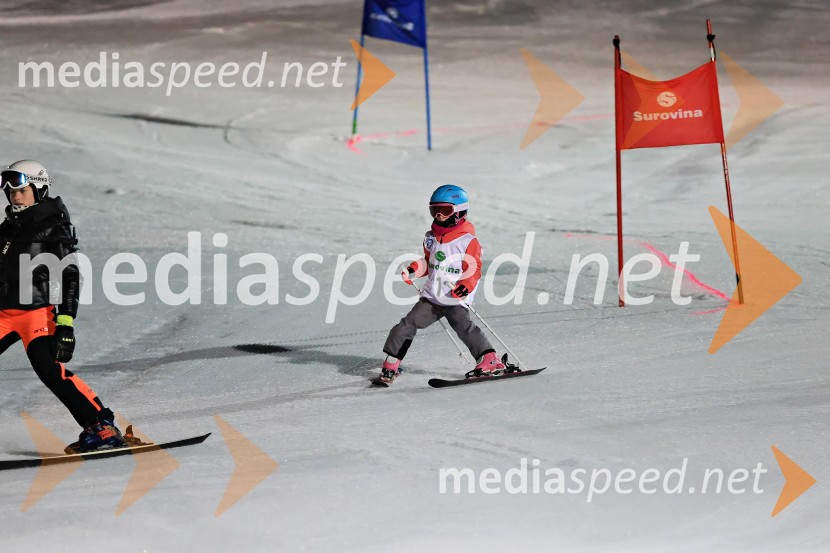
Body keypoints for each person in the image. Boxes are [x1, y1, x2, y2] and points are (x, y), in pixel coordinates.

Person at [0, 160, 125, 453]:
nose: (15, 196)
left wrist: (66, 323)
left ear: (39, 190)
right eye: (10, 191)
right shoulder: (8, 228)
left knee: (50, 371)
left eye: (22, 190)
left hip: (35, 314)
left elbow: (70, 275)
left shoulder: (52, 225)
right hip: (3, 313)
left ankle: (102, 427)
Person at [380, 184, 506, 384]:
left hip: (455, 297)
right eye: (434, 210)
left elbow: (473, 269)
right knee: (406, 324)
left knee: (463, 327)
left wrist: (465, 286)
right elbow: (428, 262)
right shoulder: (430, 237)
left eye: (445, 210)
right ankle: (391, 363)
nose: (438, 215)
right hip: (432, 296)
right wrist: (413, 270)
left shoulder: (468, 241)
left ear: (459, 211)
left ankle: (489, 360)